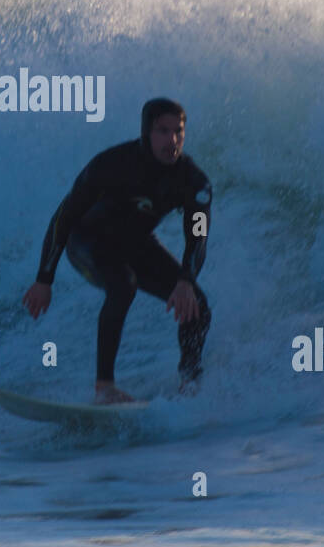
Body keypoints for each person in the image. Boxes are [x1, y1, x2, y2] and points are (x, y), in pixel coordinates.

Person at [22, 98, 212, 404]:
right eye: (162, 131)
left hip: (136, 244)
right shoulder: (112, 165)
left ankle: (190, 386)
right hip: (87, 242)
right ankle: (105, 388)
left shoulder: (193, 181)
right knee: (123, 285)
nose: (172, 140)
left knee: (197, 306)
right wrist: (44, 278)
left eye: (178, 131)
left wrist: (185, 281)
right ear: (146, 132)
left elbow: (198, 236)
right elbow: (64, 217)